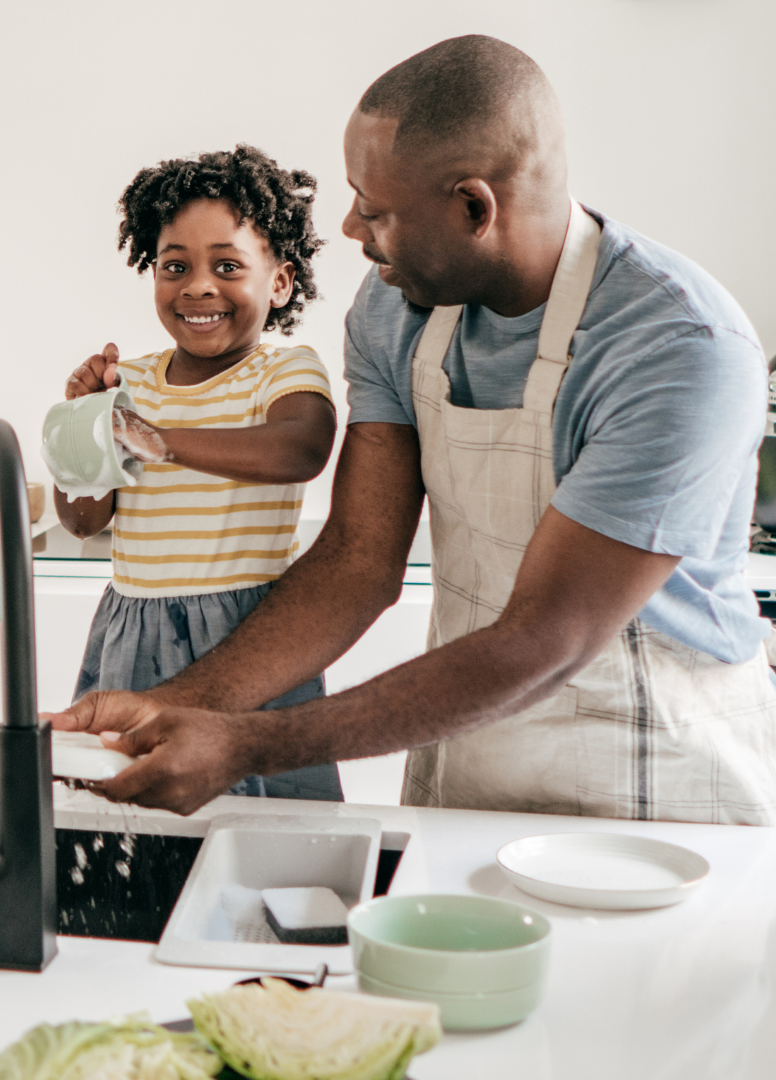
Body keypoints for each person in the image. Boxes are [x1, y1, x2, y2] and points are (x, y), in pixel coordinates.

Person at [51, 35, 776, 825]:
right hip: (468, 746)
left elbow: (546, 640)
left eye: (375, 206)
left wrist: (245, 744)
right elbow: (358, 563)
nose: (352, 228)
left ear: (474, 206)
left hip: (655, 776)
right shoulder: (394, 309)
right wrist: (158, 714)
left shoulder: (676, 348)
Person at [55, 146, 340, 800]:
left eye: (228, 265)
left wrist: (160, 440)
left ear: (281, 282)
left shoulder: (284, 369)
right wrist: (85, 425)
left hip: (251, 634)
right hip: (134, 628)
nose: (198, 285)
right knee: (139, 810)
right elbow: (83, 518)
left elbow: (300, 449)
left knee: (264, 819)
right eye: (174, 266)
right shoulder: (138, 380)